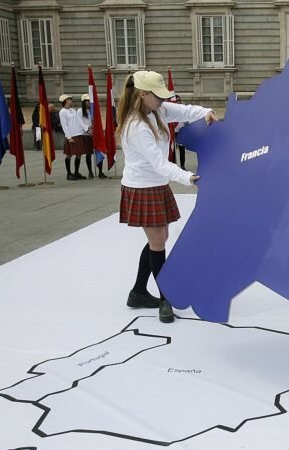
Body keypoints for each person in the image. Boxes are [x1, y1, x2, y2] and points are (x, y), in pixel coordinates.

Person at [117, 70, 217, 323]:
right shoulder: (135, 126)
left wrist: (204, 112)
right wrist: (188, 177)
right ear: (143, 94)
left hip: (157, 184)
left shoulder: (157, 110)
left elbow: (184, 111)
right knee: (158, 241)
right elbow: (159, 163)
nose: (163, 100)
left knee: (157, 240)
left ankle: (138, 292)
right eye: (158, 96)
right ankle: (166, 298)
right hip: (142, 186)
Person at [78, 94, 106, 179]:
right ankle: (90, 171)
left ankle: (100, 171)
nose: (88, 103)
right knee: (88, 154)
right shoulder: (80, 111)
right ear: (83, 102)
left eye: (89, 101)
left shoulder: (92, 110)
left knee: (98, 152)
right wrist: (88, 129)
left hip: (95, 133)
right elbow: (80, 122)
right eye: (86, 101)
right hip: (86, 134)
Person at [58, 94, 86, 180]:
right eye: (70, 99)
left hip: (78, 134)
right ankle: (69, 173)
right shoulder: (62, 112)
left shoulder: (73, 110)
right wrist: (69, 137)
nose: (71, 100)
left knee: (79, 154)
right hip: (71, 135)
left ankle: (76, 172)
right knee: (69, 154)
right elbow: (64, 125)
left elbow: (79, 121)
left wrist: (86, 128)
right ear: (66, 101)